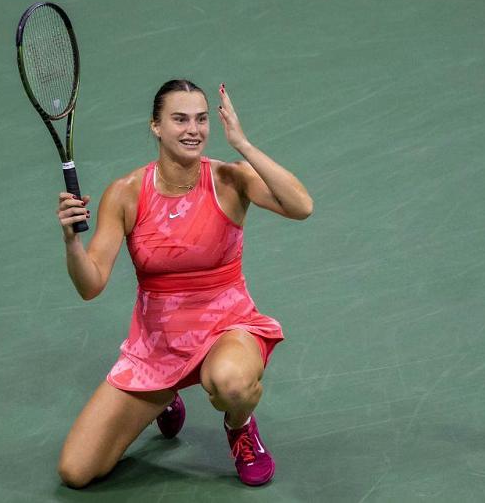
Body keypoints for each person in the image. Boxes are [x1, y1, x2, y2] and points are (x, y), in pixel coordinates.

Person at [55, 79, 313, 488]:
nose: (193, 129)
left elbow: (302, 206)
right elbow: (91, 285)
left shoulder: (230, 179)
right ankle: (164, 397)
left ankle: (240, 427)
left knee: (232, 384)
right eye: (180, 119)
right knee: (76, 471)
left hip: (226, 328)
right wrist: (72, 242)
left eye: (201, 119)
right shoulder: (125, 194)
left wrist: (243, 145)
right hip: (156, 349)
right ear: (156, 126)